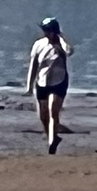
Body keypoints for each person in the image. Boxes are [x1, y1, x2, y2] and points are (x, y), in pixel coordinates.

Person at [24, 17, 73, 155]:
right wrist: (29, 86)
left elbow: (69, 51)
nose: (46, 33)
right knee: (43, 115)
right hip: (42, 82)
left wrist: (61, 39)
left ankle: (52, 141)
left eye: (48, 30)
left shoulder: (61, 45)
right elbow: (33, 65)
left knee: (53, 111)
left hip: (59, 81)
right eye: (44, 30)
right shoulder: (39, 44)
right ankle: (52, 137)